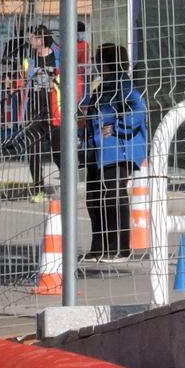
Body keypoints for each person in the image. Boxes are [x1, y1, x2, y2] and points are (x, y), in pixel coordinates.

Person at [76, 44, 148, 260]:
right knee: (94, 199)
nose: (95, 64)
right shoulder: (103, 86)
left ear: (105, 62)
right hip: (97, 151)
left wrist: (117, 127)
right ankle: (98, 247)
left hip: (117, 151)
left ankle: (120, 247)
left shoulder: (123, 85)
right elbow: (89, 109)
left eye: (97, 60)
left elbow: (139, 110)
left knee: (113, 197)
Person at [20, 24, 59, 200]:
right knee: (33, 150)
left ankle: (66, 185)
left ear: (41, 39)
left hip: (53, 111)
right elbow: (24, 83)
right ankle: (38, 189)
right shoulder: (30, 59)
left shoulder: (58, 58)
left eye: (33, 37)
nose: (30, 40)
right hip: (34, 111)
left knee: (58, 150)